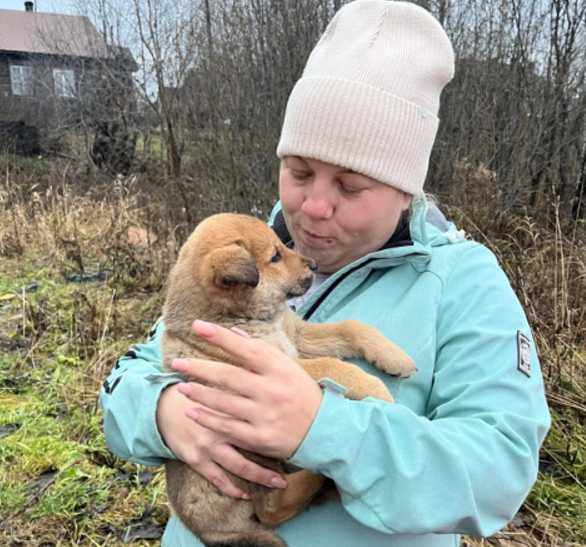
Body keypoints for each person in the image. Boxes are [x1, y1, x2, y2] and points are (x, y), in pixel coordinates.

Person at [99, 1, 551, 546]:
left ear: (406, 189)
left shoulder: (462, 282)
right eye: (300, 171)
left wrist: (323, 427)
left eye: (351, 186)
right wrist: (163, 412)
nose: (314, 207)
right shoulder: (243, 265)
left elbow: (498, 473)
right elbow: (127, 380)